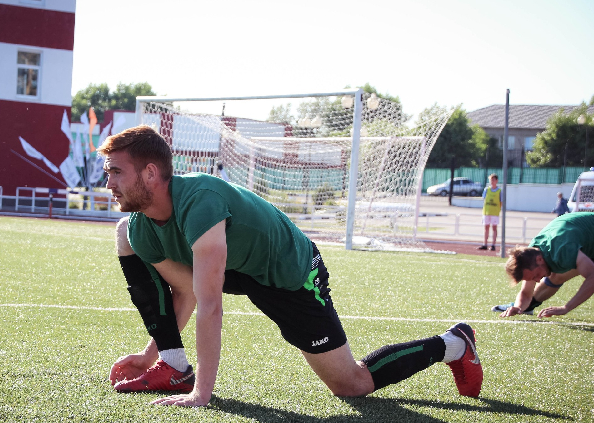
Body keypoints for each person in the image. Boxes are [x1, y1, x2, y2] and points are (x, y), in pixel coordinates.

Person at [100, 125, 482, 408]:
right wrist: (152, 355)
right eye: (108, 172)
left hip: (290, 275)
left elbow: (210, 303)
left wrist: (202, 393)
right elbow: (184, 291)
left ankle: (453, 344)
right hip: (242, 269)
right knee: (125, 234)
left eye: (117, 171)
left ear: (150, 172)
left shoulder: (201, 201)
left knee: (352, 385)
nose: (109, 182)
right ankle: (173, 364)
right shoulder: (141, 225)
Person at [495, 211, 594, 318]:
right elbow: (526, 293)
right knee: (556, 277)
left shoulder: (562, 249)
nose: (538, 280)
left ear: (539, 260)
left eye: (536, 275)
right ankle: (527, 308)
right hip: (592, 245)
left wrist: (566, 308)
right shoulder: (532, 255)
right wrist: (518, 306)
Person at [478, 174, 501, 251]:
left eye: (493, 180)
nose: (492, 181)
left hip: (495, 212)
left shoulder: (499, 191)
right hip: (487, 212)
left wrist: (498, 209)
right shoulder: (486, 190)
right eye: (491, 180)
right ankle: (485, 244)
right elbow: (484, 199)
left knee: (494, 228)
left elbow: (501, 202)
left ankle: (493, 245)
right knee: (486, 228)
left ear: (496, 181)